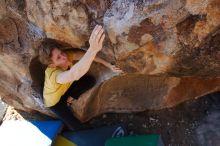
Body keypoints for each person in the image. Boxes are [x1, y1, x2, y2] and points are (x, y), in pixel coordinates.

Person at [39, 25, 123, 131]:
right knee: (76, 126)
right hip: (55, 102)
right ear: (52, 65)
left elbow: (86, 56)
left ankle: (69, 99)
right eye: (58, 58)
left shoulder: (67, 56)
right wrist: (92, 49)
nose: (64, 57)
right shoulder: (54, 76)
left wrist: (108, 65)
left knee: (89, 81)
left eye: (61, 52)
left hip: (65, 89)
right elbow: (74, 74)